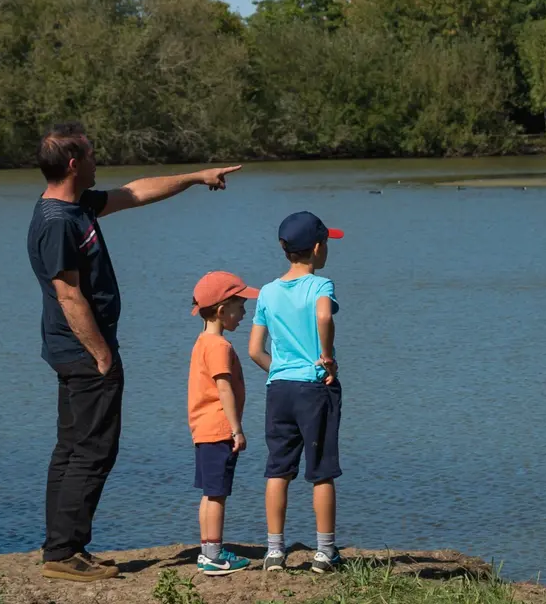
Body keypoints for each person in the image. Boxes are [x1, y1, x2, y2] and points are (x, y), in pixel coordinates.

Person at [27, 122, 241, 583]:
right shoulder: (57, 223)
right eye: (90, 154)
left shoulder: (77, 206)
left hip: (76, 352)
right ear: (72, 163)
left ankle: (65, 546)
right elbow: (69, 296)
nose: (96, 160)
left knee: (73, 449)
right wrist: (101, 354)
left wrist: (194, 176)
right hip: (84, 355)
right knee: (92, 451)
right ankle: (63, 555)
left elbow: (135, 193)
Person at [248, 211, 344, 573]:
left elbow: (255, 350)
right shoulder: (321, 285)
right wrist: (327, 359)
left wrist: (279, 369)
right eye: (328, 244)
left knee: (278, 469)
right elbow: (324, 317)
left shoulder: (268, 292)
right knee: (322, 470)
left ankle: (274, 551)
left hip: (279, 389)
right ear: (318, 248)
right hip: (314, 387)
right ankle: (325, 551)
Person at [186, 270, 258, 575]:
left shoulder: (202, 342)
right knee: (217, 494)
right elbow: (224, 387)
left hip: (203, 429)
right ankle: (214, 557)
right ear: (221, 310)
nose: (243, 313)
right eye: (239, 306)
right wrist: (236, 429)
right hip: (218, 429)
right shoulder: (219, 347)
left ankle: (207, 550)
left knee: (209, 491)